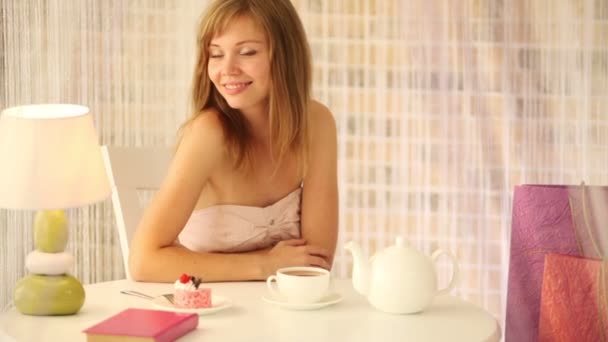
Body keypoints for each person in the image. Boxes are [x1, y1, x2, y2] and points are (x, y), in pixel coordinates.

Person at [128, 0, 338, 283]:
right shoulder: (209, 134)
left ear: (286, 56)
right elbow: (144, 262)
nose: (227, 69)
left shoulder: (316, 124)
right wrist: (265, 264)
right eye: (216, 54)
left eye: (247, 52)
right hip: (208, 314)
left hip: (280, 315)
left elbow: (316, 261)